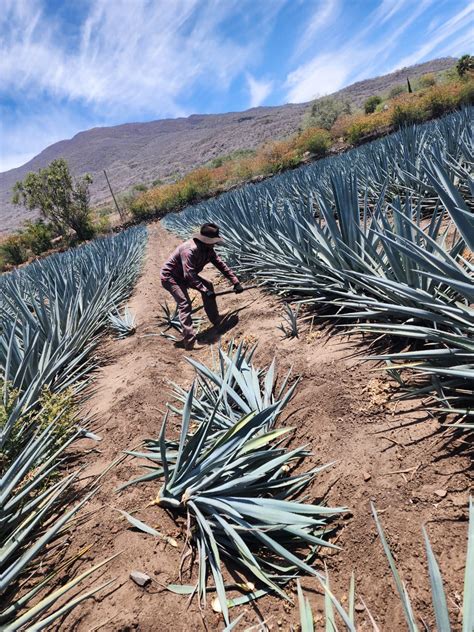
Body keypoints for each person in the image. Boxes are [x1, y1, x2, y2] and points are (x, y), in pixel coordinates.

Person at [160, 223, 243, 350]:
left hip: (185, 275)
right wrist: (204, 290)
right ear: (205, 240)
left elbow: (221, 265)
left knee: (208, 285)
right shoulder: (189, 250)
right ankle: (190, 341)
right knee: (184, 303)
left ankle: (215, 319)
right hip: (171, 278)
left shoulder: (208, 250)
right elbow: (189, 275)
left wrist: (235, 282)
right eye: (213, 242)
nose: (214, 244)